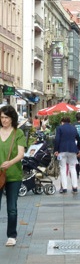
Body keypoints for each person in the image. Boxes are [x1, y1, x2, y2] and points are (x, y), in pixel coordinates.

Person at [0, 105, 26, 246]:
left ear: (12, 118)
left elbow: (21, 154)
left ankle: (11, 235)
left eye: (7, 118)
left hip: (13, 175)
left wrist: (10, 163)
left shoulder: (18, 133)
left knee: (11, 207)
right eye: (2, 117)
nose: (4, 120)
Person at [53, 117, 80, 194]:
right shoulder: (73, 128)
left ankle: (64, 188)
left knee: (63, 168)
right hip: (73, 150)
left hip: (62, 150)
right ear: (69, 122)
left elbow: (57, 139)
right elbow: (79, 139)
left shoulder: (59, 128)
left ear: (62, 122)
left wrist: (55, 150)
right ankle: (75, 187)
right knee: (72, 168)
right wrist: (79, 149)